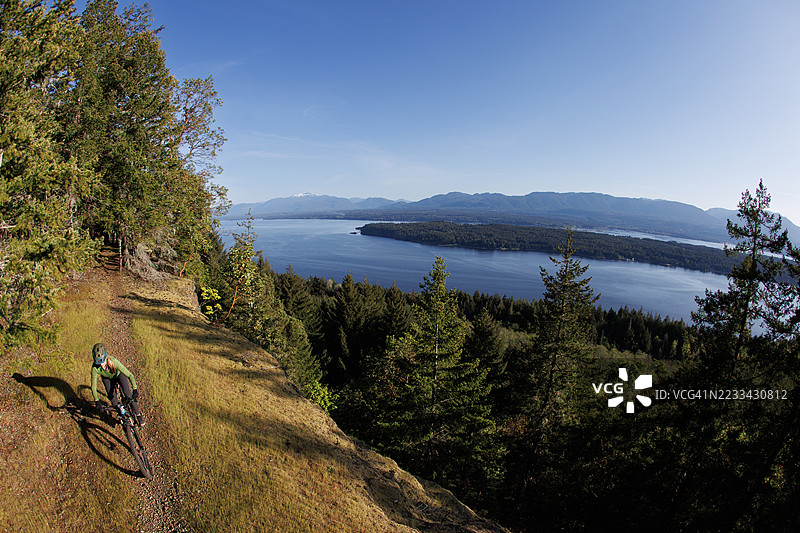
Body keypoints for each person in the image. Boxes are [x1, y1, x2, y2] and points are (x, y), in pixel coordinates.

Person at [90, 343, 145, 426]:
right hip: (107, 378)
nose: (101, 365)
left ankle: (138, 415)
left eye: (102, 361)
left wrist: (135, 389)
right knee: (113, 400)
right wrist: (97, 401)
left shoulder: (114, 361)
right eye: (98, 362)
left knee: (128, 395)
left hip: (118, 375)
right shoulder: (94, 368)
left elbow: (129, 375)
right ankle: (122, 414)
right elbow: (93, 386)